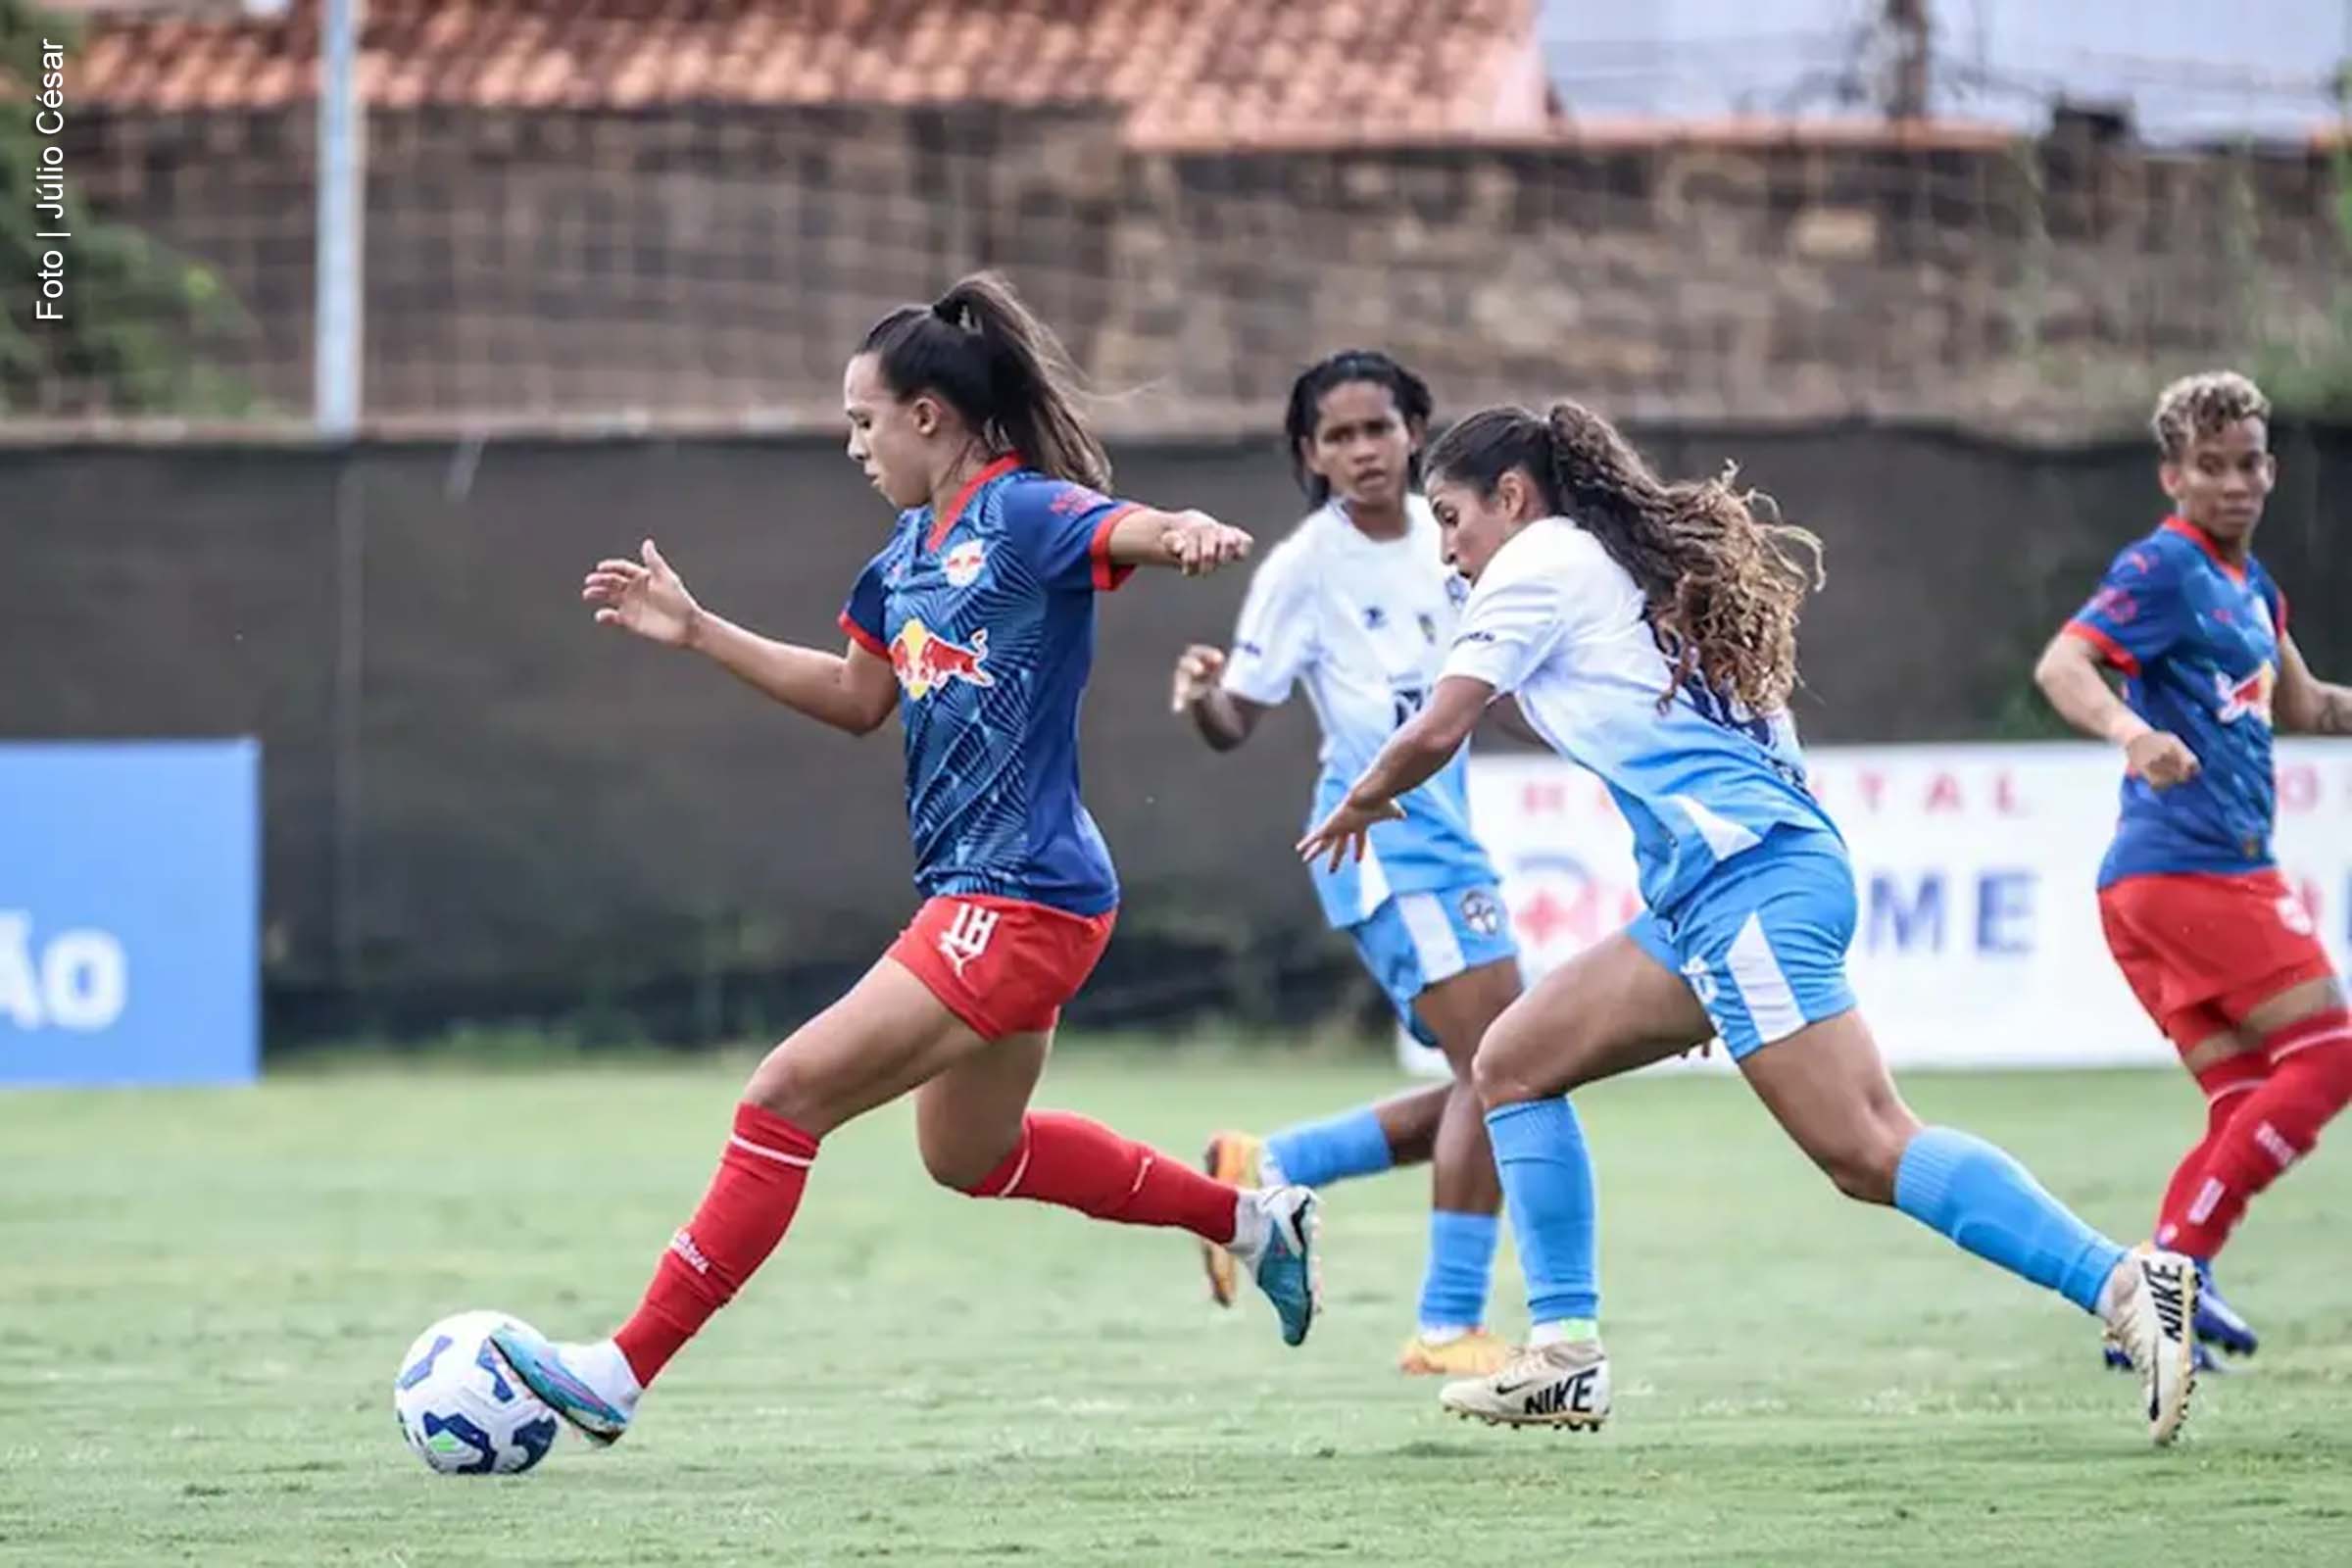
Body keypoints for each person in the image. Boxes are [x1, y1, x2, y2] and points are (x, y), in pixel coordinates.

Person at [487, 272, 1320, 1447]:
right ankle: (1251, 1220)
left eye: (861, 419)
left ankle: (620, 1371)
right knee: (969, 1156)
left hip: (1016, 895)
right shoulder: (900, 560)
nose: (851, 444)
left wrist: (1177, 533)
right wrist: (698, 628)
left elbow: (1116, 525)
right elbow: (854, 697)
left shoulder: (1025, 514)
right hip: (1005, 895)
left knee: (782, 1097)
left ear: (927, 415)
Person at [1298, 399, 2201, 1446]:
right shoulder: (1612, 568)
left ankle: (2127, 1282)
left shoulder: (1540, 558)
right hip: (1718, 894)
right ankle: (1565, 1354)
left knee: (1866, 1148)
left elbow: (1441, 724)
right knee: (1511, 1063)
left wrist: (1362, 795)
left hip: (1747, 885)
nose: (1445, 545)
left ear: (1512, 496)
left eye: (1450, 516)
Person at [1171, 351, 1518, 1377]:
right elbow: (1240, 716)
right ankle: (1448, 1323)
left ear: (1417, 430)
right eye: (1339, 436)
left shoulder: (1455, 542)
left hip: (1449, 827)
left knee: (1499, 1074)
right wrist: (1201, 697)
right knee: (1507, 1073)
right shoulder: (1302, 569)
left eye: (1380, 428)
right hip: (1378, 840)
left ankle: (1265, 1169)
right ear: (1310, 455)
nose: (1363, 450)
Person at [2034, 368, 2350, 1373]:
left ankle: (2158, 1292)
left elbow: (2306, 707)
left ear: (2273, 469)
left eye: (2249, 462)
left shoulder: (2252, 588)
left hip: (2157, 886)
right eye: (2209, 466)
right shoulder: (2164, 567)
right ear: (2173, 477)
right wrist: (2133, 733)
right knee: (2335, 1051)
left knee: (2245, 1094)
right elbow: (2063, 666)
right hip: (2194, 871)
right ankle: (2180, 1262)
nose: (2234, 483)